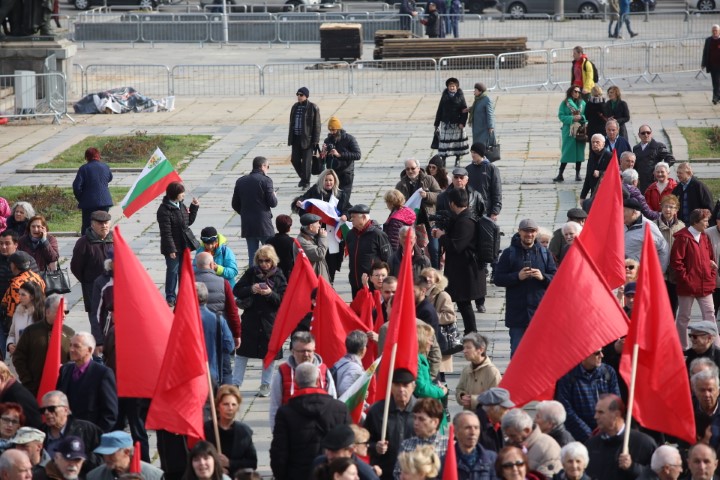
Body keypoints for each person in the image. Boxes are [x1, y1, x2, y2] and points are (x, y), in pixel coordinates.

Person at [270, 363, 350, 480]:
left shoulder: (285, 412)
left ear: (296, 382)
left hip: (296, 474)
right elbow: (347, 445)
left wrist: (281, 476)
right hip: (331, 472)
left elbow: (279, 451)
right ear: (318, 380)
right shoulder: (340, 408)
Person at [494, 218, 556, 357]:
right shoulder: (509, 253)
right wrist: (517, 276)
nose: (529, 235)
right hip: (517, 314)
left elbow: (556, 278)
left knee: (540, 353)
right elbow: (498, 279)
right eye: (526, 231)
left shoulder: (545, 253)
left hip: (539, 312)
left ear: (536, 233)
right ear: (519, 232)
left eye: (532, 231)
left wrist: (543, 277)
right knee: (517, 353)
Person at [232, 245, 287, 397]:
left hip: (269, 322)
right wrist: (252, 289)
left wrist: (269, 293)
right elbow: (237, 290)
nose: (264, 264)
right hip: (251, 321)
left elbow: (283, 300)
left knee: (268, 355)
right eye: (261, 261)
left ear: (272, 261)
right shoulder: (251, 273)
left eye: (267, 261)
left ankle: (265, 384)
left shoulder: (278, 276)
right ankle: (235, 384)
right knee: (242, 353)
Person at [433, 188, 484, 334]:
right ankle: (470, 332)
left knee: (464, 302)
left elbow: (456, 246)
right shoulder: (463, 218)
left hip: (466, 270)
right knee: (463, 303)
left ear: (452, 203)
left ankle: (471, 332)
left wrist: (442, 236)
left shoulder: (465, 221)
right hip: (462, 269)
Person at [268, 331, 337, 431]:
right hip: (292, 430)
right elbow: (275, 405)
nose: (306, 354)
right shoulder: (283, 372)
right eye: (302, 351)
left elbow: (333, 402)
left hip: (320, 431)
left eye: (309, 351)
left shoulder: (324, 371)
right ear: (293, 351)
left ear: (314, 350)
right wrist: (276, 432)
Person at [671, 208, 718, 350]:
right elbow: (676, 262)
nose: (707, 224)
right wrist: (686, 279)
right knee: (684, 317)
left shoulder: (704, 237)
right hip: (687, 286)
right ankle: (683, 347)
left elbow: (710, 258)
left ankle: (715, 347)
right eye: (705, 221)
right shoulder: (683, 238)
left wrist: (711, 274)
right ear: (695, 222)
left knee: (710, 315)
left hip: (705, 285)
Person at [294, 169, 350, 283]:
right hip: (317, 232)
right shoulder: (315, 191)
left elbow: (347, 208)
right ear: (321, 181)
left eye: (330, 180)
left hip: (334, 233)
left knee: (332, 261)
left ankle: (331, 282)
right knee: (320, 258)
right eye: (326, 180)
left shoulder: (341, 194)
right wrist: (299, 202)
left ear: (335, 181)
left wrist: (345, 215)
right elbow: (304, 199)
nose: (328, 182)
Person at [56, 332, 118, 433]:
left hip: (90, 434)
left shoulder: (103, 374)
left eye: (76, 346)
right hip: (66, 433)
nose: (71, 349)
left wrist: (96, 435)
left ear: (89, 350)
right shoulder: (65, 370)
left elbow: (110, 413)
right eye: (71, 345)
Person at [584, 394, 656, 480]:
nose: (595, 417)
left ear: (616, 415)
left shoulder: (644, 444)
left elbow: (656, 474)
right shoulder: (591, 445)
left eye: (601, 412)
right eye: (596, 412)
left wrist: (632, 467)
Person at [13, 295, 74, 397]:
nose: (63, 315)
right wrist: (27, 381)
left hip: (61, 390)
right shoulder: (31, 332)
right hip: (34, 388)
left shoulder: (69, 333)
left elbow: (73, 361)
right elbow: (18, 357)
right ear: (47, 312)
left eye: (66, 311)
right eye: (59, 311)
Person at [555, 349, 620, 442]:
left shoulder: (608, 372)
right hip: (578, 438)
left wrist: (603, 429)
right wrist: (589, 435)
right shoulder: (568, 375)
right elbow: (566, 408)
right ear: (584, 354)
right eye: (597, 353)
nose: (602, 355)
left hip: (606, 433)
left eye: (602, 351)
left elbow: (615, 403)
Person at [363, 368, 416, 480]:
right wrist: (375, 447)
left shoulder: (422, 411)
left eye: (405, 385)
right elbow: (363, 443)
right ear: (391, 387)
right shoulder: (377, 411)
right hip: (385, 473)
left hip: (414, 473)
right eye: (397, 385)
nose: (401, 389)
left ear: (413, 387)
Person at [156, 181, 200, 307]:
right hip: (172, 246)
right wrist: (171, 249)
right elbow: (166, 232)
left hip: (184, 244)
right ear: (175, 194)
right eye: (181, 193)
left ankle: (183, 294)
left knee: (183, 271)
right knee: (172, 270)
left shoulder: (180, 205)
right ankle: (170, 296)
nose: (183, 195)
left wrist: (194, 207)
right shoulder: (164, 210)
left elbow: (187, 223)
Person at [38, 390, 102, 472]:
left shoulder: (86, 430)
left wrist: (77, 457)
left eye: (51, 409)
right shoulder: (39, 432)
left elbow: (102, 460)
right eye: (43, 410)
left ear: (66, 410)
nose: (46, 413)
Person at [231, 156, 278, 266]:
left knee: (252, 256)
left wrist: (244, 213)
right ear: (262, 166)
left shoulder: (241, 181)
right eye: (268, 167)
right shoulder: (266, 180)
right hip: (264, 224)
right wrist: (274, 196)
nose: (268, 169)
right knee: (269, 254)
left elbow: (235, 204)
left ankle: (253, 278)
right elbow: (273, 203)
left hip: (248, 224)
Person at [70, 211, 114, 324]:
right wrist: (88, 281)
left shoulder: (115, 239)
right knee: (97, 322)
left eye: (106, 223)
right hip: (93, 289)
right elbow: (76, 267)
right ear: (92, 224)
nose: (103, 226)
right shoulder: (83, 243)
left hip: (113, 288)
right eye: (100, 223)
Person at [203, 385, 257, 477]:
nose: (230, 408)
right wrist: (216, 467)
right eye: (226, 404)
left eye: (234, 404)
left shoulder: (243, 432)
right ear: (218, 406)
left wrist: (230, 463)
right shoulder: (207, 429)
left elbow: (252, 462)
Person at [392, 398, 448, 480]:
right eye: (415, 418)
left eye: (421, 419)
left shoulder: (447, 445)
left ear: (435, 422)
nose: (416, 423)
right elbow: (397, 473)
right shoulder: (407, 445)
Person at [344, 205, 392, 298]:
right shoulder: (350, 234)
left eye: (354, 217)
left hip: (372, 284)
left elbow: (388, 259)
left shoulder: (377, 234)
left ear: (364, 217)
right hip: (355, 283)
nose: (351, 219)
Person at [501, 408, 561, 478]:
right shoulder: (512, 444)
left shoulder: (548, 448)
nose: (510, 439)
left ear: (527, 430)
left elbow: (547, 477)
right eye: (507, 435)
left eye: (513, 435)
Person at [195, 282, 234, 386]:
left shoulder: (182, 320)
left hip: (190, 376)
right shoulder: (218, 319)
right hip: (212, 373)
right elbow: (229, 346)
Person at [310, 425, 379, 480]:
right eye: (327, 450)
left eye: (334, 451)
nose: (329, 456)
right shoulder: (319, 463)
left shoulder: (366, 475)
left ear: (350, 450)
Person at [87, 431, 163, 480]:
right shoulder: (94, 476)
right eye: (104, 453)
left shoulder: (154, 476)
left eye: (111, 453)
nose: (106, 458)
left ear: (127, 452)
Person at [72, 148, 113, 235]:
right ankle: (103, 243)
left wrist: (81, 198)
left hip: (89, 203)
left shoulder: (84, 169)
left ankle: (85, 245)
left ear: (87, 157)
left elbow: (76, 186)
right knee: (103, 224)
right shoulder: (105, 166)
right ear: (99, 156)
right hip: (105, 202)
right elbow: (109, 178)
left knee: (87, 225)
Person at [456, 333, 501, 410]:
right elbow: (459, 389)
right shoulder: (466, 369)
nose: (464, 351)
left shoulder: (492, 371)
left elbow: (497, 397)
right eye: (464, 348)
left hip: (485, 417)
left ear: (480, 350)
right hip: (468, 416)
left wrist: (473, 400)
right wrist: (462, 396)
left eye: (468, 348)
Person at [321, 117, 361, 203]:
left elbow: (357, 155)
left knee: (344, 200)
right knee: (333, 200)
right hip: (333, 174)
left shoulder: (349, 139)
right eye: (330, 130)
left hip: (346, 173)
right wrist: (323, 153)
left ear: (339, 129)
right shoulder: (328, 140)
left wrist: (339, 154)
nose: (332, 132)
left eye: (334, 130)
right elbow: (324, 159)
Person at [288, 86, 321, 189]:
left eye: (301, 95)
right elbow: (291, 123)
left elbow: (317, 125)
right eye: (297, 95)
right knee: (295, 160)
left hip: (308, 139)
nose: (299, 97)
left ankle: (306, 182)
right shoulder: (295, 107)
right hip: (296, 138)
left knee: (306, 162)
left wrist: (315, 140)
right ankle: (304, 178)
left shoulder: (313, 107)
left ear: (306, 96)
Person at [623, 198, 669, 272]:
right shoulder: (621, 224)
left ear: (634, 212)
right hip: (620, 273)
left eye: (623, 211)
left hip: (638, 275)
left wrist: (658, 273)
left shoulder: (649, 226)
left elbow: (663, 249)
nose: (620, 214)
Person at [434, 78, 469, 167]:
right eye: (450, 86)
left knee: (457, 143)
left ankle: (457, 159)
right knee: (445, 143)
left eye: (453, 86)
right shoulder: (444, 96)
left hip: (457, 123)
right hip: (446, 123)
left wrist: (462, 122)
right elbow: (440, 109)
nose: (452, 88)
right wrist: (436, 123)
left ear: (457, 87)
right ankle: (444, 159)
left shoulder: (460, 96)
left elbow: (464, 110)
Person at [554, 86, 586, 183]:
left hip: (580, 130)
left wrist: (581, 117)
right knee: (566, 152)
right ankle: (560, 174)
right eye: (575, 91)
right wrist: (572, 118)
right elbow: (561, 116)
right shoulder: (565, 104)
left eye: (578, 92)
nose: (577, 93)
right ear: (571, 92)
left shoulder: (583, 104)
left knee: (579, 152)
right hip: (568, 131)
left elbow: (587, 115)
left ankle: (578, 174)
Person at [6, 281, 44, 359]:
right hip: (18, 359)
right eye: (19, 294)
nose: (19, 297)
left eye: (23, 295)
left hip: (35, 358)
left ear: (32, 296)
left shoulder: (41, 313)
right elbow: (11, 334)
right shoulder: (17, 312)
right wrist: (10, 344)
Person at [631, 126, 675, 193]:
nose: (646, 135)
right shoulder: (636, 148)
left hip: (653, 180)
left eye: (648, 133)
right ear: (639, 135)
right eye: (643, 133)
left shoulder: (658, 146)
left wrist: (661, 170)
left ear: (651, 134)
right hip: (640, 181)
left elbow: (671, 159)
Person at [466, 143, 502, 221]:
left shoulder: (491, 168)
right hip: (471, 210)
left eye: (475, 152)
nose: (472, 155)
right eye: (471, 152)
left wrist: (495, 211)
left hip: (487, 211)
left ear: (481, 153)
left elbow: (497, 191)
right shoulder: (468, 169)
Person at [295, 213, 330, 282]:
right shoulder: (302, 242)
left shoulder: (312, 236)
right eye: (317, 223)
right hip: (310, 280)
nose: (319, 226)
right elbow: (320, 255)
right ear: (311, 227)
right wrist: (323, 237)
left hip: (318, 277)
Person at [331, 330, 367, 398]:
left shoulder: (340, 362)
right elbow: (344, 391)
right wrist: (361, 395)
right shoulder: (355, 368)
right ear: (363, 349)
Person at [580, 134, 612, 200]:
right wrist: (582, 196)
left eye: (597, 142)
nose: (594, 144)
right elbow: (588, 177)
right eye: (593, 142)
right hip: (594, 192)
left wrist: (600, 173)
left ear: (603, 144)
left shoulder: (609, 156)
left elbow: (613, 173)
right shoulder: (592, 155)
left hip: (606, 192)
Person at [266, 215, 295, 281]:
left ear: (276, 226)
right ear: (289, 228)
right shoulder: (292, 241)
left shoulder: (269, 241)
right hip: (288, 273)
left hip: (272, 272)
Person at [467, 82, 495, 147]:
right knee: (478, 145)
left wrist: (490, 126)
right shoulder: (478, 99)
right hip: (478, 127)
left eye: (475, 90)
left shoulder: (487, 99)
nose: (474, 91)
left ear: (480, 91)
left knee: (483, 145)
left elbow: (490, 114)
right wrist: (470, 109)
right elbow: (477, 108)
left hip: (484, 127)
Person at [702, 24, 720, 105]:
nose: (714, 32)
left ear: (719, 31)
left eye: (716, 30)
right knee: (715, 82)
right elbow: (705, 52)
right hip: (713, 65)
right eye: (713, 30)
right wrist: (703, 63)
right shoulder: (708, 40)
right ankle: (715, 98)